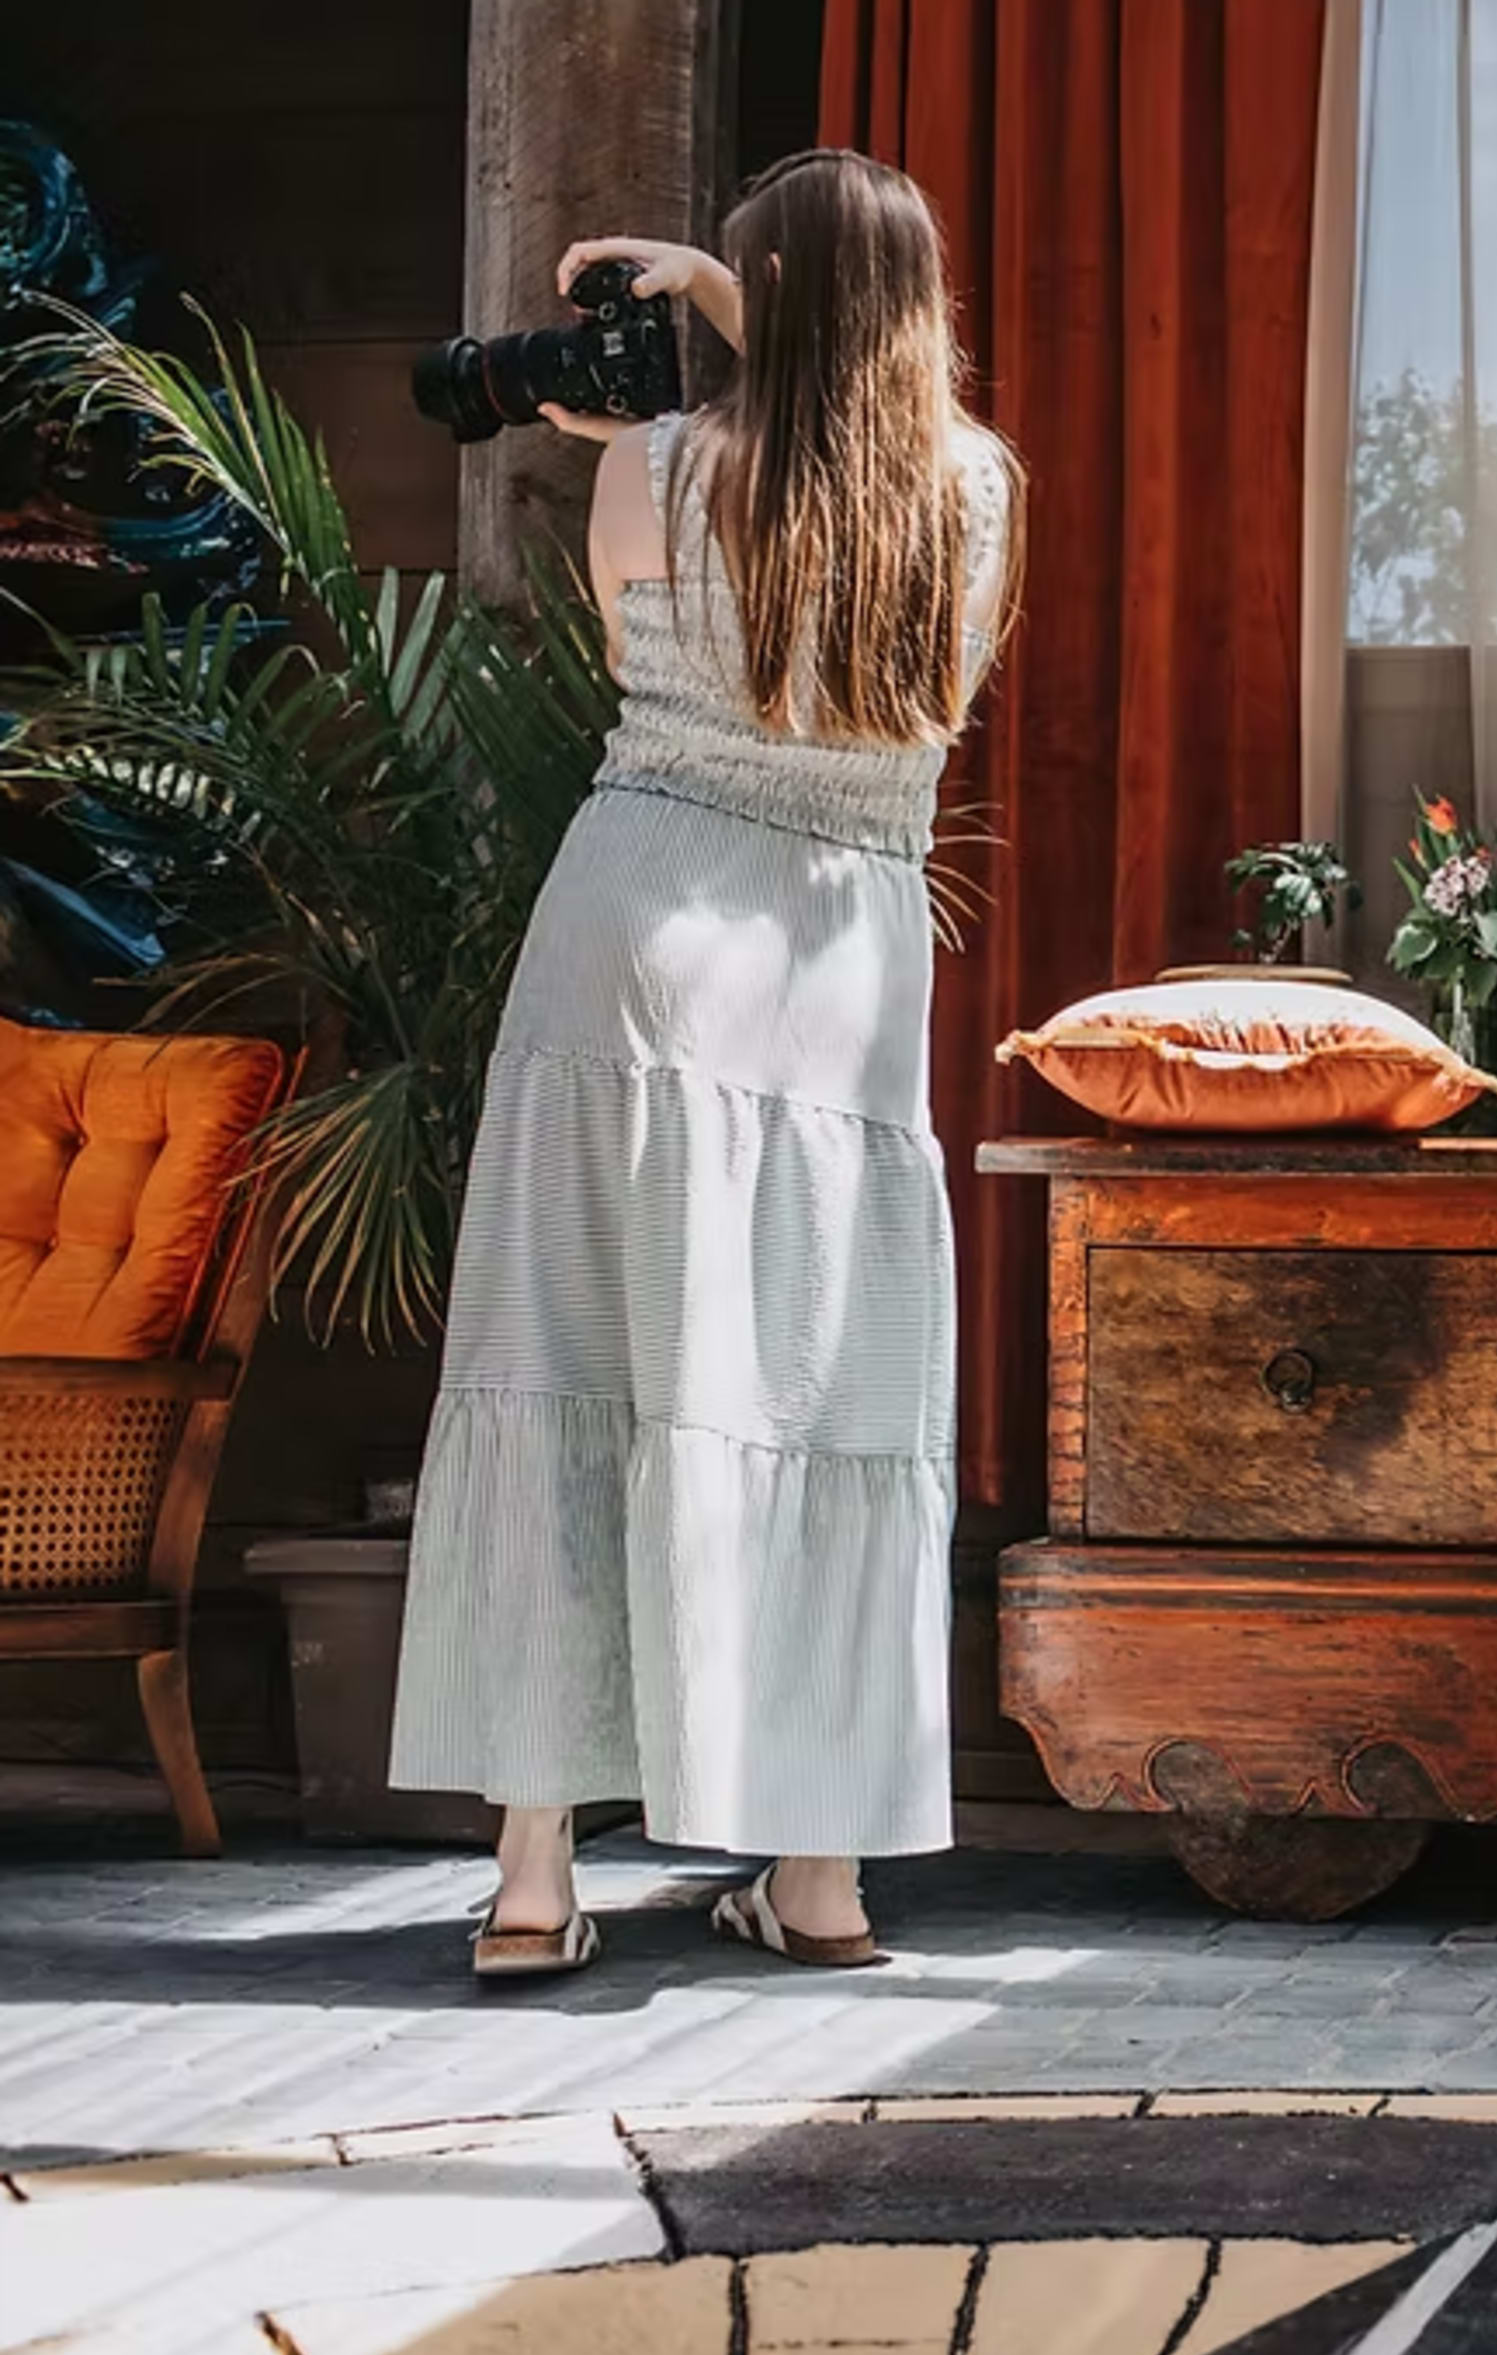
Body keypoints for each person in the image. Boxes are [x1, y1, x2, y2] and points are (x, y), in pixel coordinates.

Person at [391, 149, 1022, 1978]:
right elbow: (867, 423)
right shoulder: (974, 488)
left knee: (565, 1363)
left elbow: (644, 660)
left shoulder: (652, 466)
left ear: (757, 297)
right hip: (838, 964)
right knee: (827, 1389)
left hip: (637, 930)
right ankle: (820, 1881)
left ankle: (532, 1880)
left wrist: (717, 314)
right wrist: (769, 297)